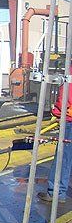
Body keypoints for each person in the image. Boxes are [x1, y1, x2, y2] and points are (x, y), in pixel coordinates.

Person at [38, 73, 72, 204]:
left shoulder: (70, 72)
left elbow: (66, 97)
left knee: (63, 158)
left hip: (69, 120)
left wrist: (58, 111)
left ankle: (56, 192)